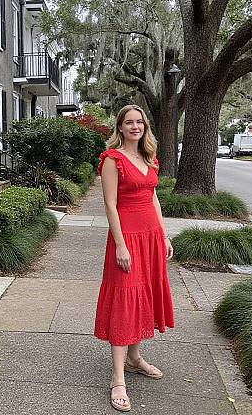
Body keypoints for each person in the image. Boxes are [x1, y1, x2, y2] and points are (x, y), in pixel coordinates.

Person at [94, 104, 174, 412]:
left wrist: (164, 235)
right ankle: (117, 379)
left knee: (144, 296)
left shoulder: (148, 157)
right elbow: (111, 206)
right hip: (127, 238)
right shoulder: (113, 160)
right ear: (120, 127)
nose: (135, 126)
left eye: (139, 122)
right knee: (126, 300)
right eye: (129, 122)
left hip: (151, 238)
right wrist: (120, 245)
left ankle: (135, 358)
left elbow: (153, 197)